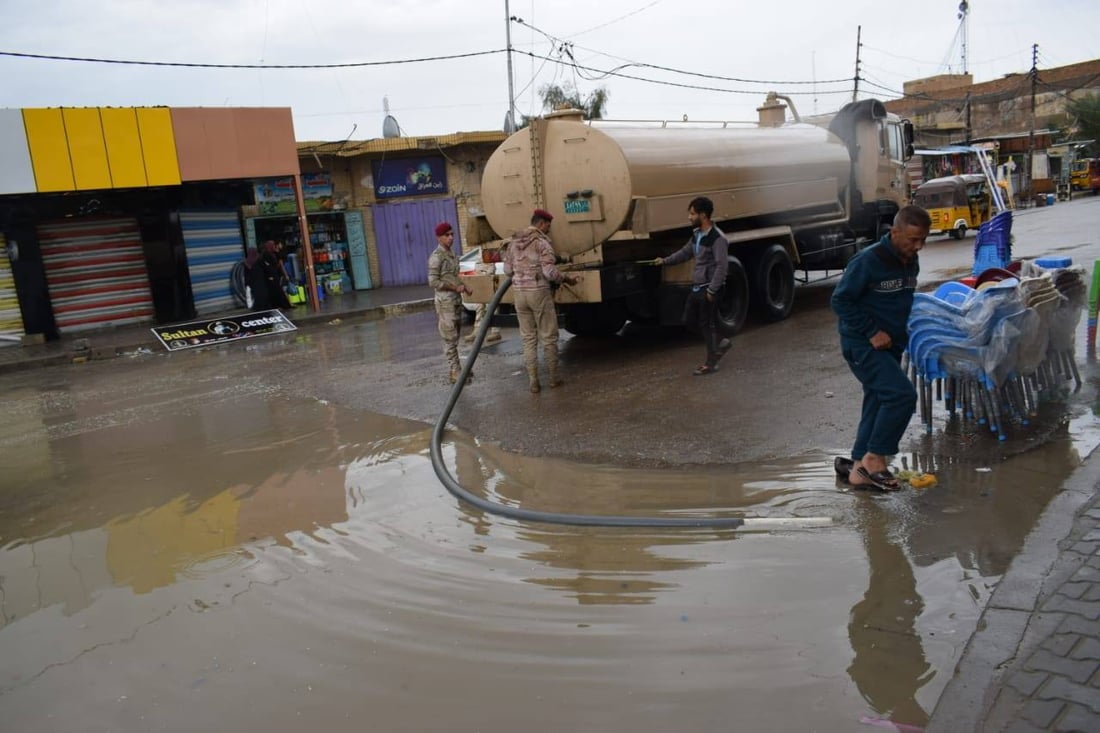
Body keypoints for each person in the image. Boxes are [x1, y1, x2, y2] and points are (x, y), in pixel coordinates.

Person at [830, 204, 930, 491]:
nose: (919, 246)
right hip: (862, 344)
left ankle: (859, 464)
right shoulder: (868, 261)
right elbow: (840, 300)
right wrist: (872, 331)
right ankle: (876, 458)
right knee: (900, 396)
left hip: (891, 346)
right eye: (913, 239)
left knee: (877, 397)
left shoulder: (910, 260)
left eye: (923, 239)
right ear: (894, 232)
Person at [653, 196, 732, 376]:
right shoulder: (697, 235)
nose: (689, 217)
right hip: (697, 286)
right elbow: (685, 253)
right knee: (688, 321)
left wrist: (713, 290)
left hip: (710, 288)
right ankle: (720, 342)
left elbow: (722, 266)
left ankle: (711, 363)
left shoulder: (717, 238)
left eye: (692, 214)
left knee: (706, 323)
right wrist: (664, 261)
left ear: (703, 215)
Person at [502, 208, 577, 393]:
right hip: (539, 293)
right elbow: (549, 272)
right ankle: (553, 378)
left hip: (519, 295)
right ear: (541, 224)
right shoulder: (542, 244)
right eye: (548, 226)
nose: (549, 230)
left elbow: (507, 270)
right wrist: (567, 279)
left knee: (528, 338)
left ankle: (533, 382)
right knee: (548, 336)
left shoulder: (514, 242)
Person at [427, 221, 471, 384]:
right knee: (449, 338)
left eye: (452, 234)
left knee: (455, 335)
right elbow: (433, 282)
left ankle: (457, 368)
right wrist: (454, 288)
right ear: (439, 238)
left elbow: (454, 275)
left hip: (455, 301)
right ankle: (455, 370)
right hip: (445, 302)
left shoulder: (451, 254)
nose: (451, 238)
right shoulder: (436, 257)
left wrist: (464, 286)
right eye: (447, 235)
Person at [259, 240, 292, 309]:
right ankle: (279, 305)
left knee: (278, 290)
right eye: (273, 245)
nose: (274, 246)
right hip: (270, 276)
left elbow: (279, 264)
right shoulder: (266, 255)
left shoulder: (274, 253)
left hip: (275, 275)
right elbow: (267, 266)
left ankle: (282, 305)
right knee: (276, 291)